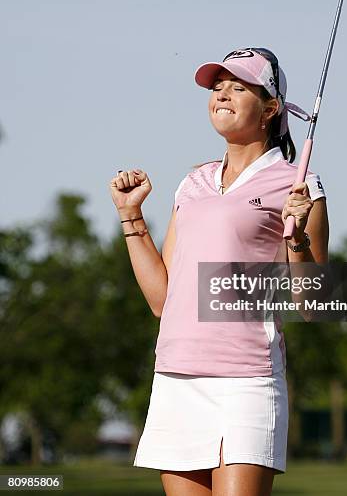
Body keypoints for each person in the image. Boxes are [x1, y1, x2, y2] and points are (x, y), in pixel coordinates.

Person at [109, 47, 329, 496]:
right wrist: (131, 216)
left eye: (238, 86)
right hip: (176, 376)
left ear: (270, 108)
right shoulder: (192, 184)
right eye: (216, 87)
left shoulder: (298, 185)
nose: (221, 94)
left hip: (245, 379)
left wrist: (297, 240)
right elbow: (160, 300)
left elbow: (314, 305)